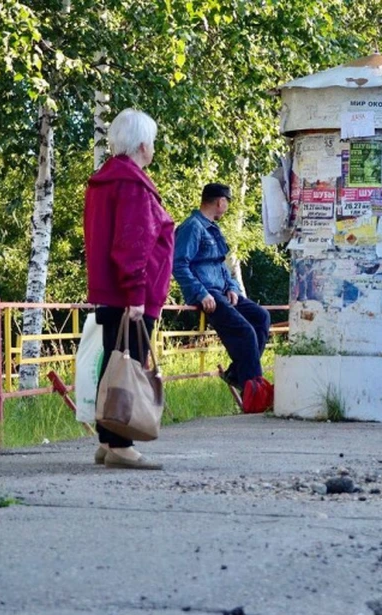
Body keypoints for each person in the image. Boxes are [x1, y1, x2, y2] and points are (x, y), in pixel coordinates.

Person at [85, 108, 174, 469]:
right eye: (151, 142)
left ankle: (107, 440)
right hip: (130, 295)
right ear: (142, 144)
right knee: (129, 364)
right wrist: (137, 295)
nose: (152, 148)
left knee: (114, 364)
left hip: (111, 291)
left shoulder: (105, 179)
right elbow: (133, 243)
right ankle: (121, 443)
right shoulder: (133, 184)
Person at [173, 183, 271, 393]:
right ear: (221, 202)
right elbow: (178, 264)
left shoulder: (213, 228)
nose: (226, 208)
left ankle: (237, 374)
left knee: (261, 318)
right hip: (207, 294)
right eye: (227, 203)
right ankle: (254, 393)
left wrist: (233, 287)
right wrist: (200, 292)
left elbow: (221, 265)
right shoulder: (192, 227)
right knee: (245, 332)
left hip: (224, 292)